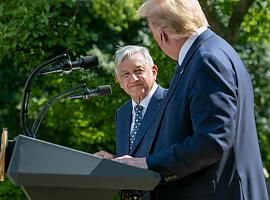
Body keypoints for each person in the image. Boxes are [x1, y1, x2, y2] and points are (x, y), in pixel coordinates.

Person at [114, 0, 269, 200]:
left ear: (162, 35)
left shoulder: (206, 60)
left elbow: (212, 141)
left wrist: (147, 164)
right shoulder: (212, 51)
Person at [95, 45, 167, 199]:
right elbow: (132, 158)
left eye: (138, 71)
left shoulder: (172, 102)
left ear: (154, 71)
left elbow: (184, 152)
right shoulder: (122, 113)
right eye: (126, 74)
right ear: (118, 81)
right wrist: (113, 160)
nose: (133, 79)